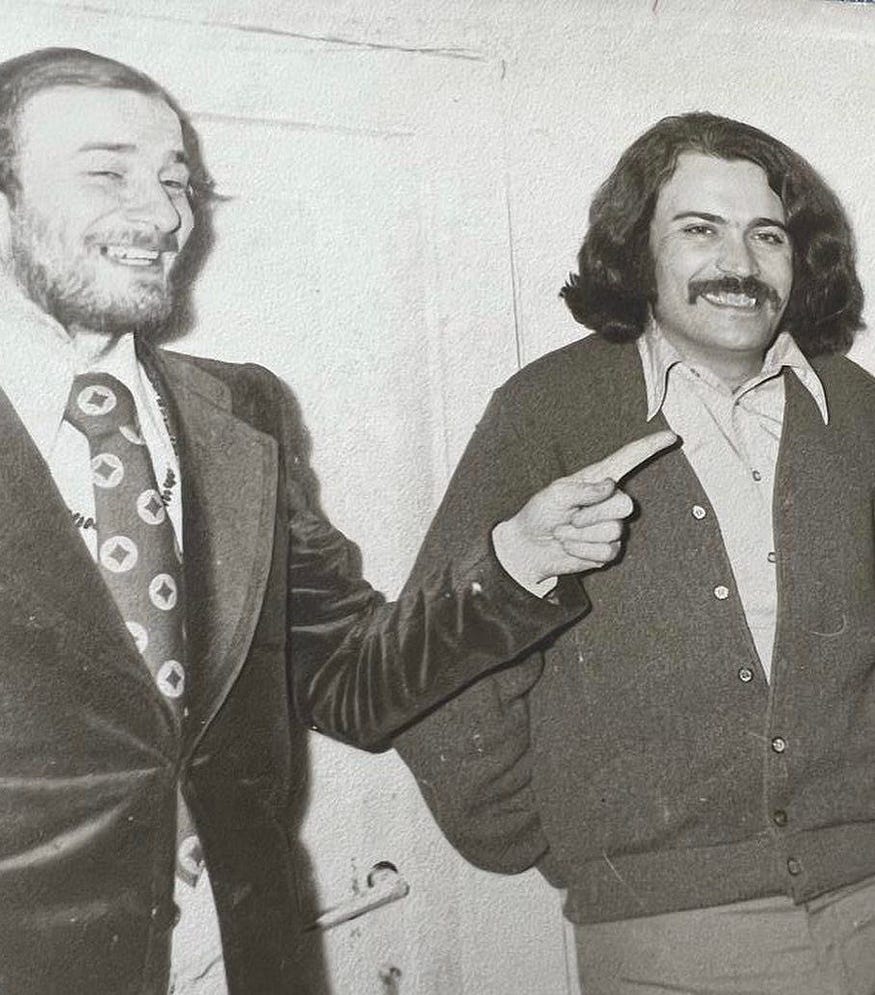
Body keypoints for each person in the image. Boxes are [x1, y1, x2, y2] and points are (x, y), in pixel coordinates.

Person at [0, 46, 676, 993]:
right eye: (108, 173)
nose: (161, 214)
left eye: (176, 182)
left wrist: (517, 559)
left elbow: (355, 683)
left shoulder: (242, 415)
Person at [395, 112, 875, 995]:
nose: (738, 263)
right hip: (671, 935)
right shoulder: (548, 411)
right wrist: (563, 841)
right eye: (699, 229)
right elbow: (433, 660)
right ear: (638, 252)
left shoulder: (857, 411)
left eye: (766, 235)